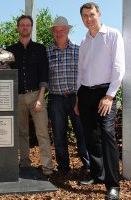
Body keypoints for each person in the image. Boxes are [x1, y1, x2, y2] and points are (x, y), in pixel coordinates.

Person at [75, 3, 125, 200]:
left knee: (107, 134)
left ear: (99, 15)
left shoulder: (112, 35)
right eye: (85, 16)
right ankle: (98, 175)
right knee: (91, 135)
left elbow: (119, 68)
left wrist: (110, 95)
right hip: (85, 92)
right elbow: (81, 72)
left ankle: (113, 185)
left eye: (92, 15)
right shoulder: (84, 42)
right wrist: (78, 98)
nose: (89, 19)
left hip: (105, 92)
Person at [7, 15, 53, 176]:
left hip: (36, 96)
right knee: (22, 133)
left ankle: (47, 168)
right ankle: (25, 164)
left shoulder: (40, 49)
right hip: (17, 98)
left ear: (31, 28)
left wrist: (40, 98)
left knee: (42, 133)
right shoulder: (10, 50)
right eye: (22, 25)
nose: (25, 27)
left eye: (28, 25)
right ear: (18, 28)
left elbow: (44, 75)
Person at [47, 16, 90, 175]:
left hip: (76, 98)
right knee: (59, 134)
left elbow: (86, 75)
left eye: (62, 30)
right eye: (56, 30)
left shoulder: (79, 50)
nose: (59, 33)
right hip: (56, 99)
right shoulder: (48, 52)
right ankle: (63, 168)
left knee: (82, 133)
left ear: (68, 30)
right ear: (53, 32)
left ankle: (88, 166)